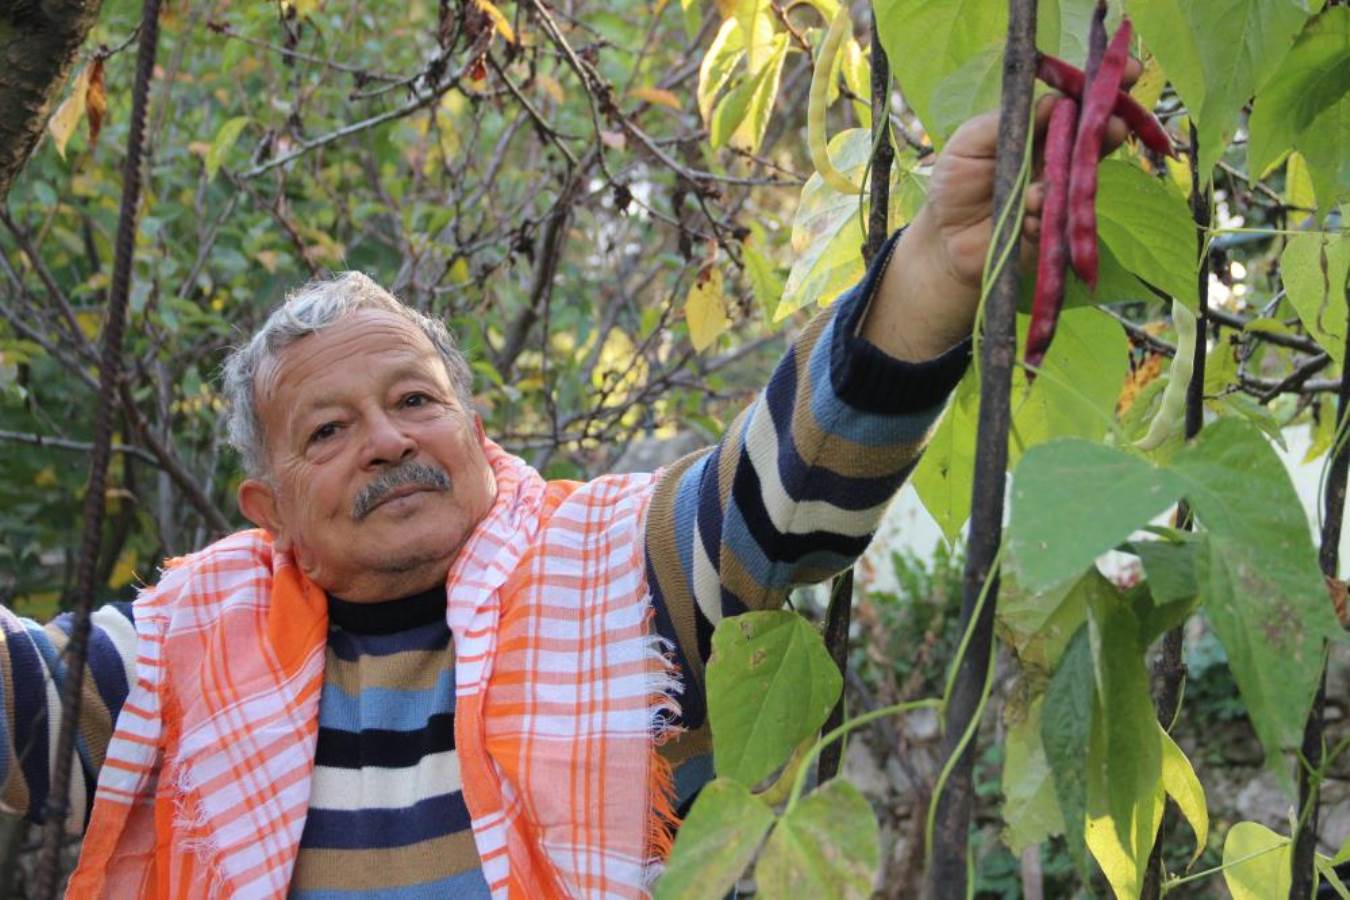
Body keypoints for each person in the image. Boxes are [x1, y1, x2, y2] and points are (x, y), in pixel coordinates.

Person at [0, 88, 1136, 898]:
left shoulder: (616, 564)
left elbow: (782, 494)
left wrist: (936, 264)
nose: (388, 442)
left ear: (479, 433)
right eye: (330, 430)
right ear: (270, 508)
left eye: (415, 401)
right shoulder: (180, 646)